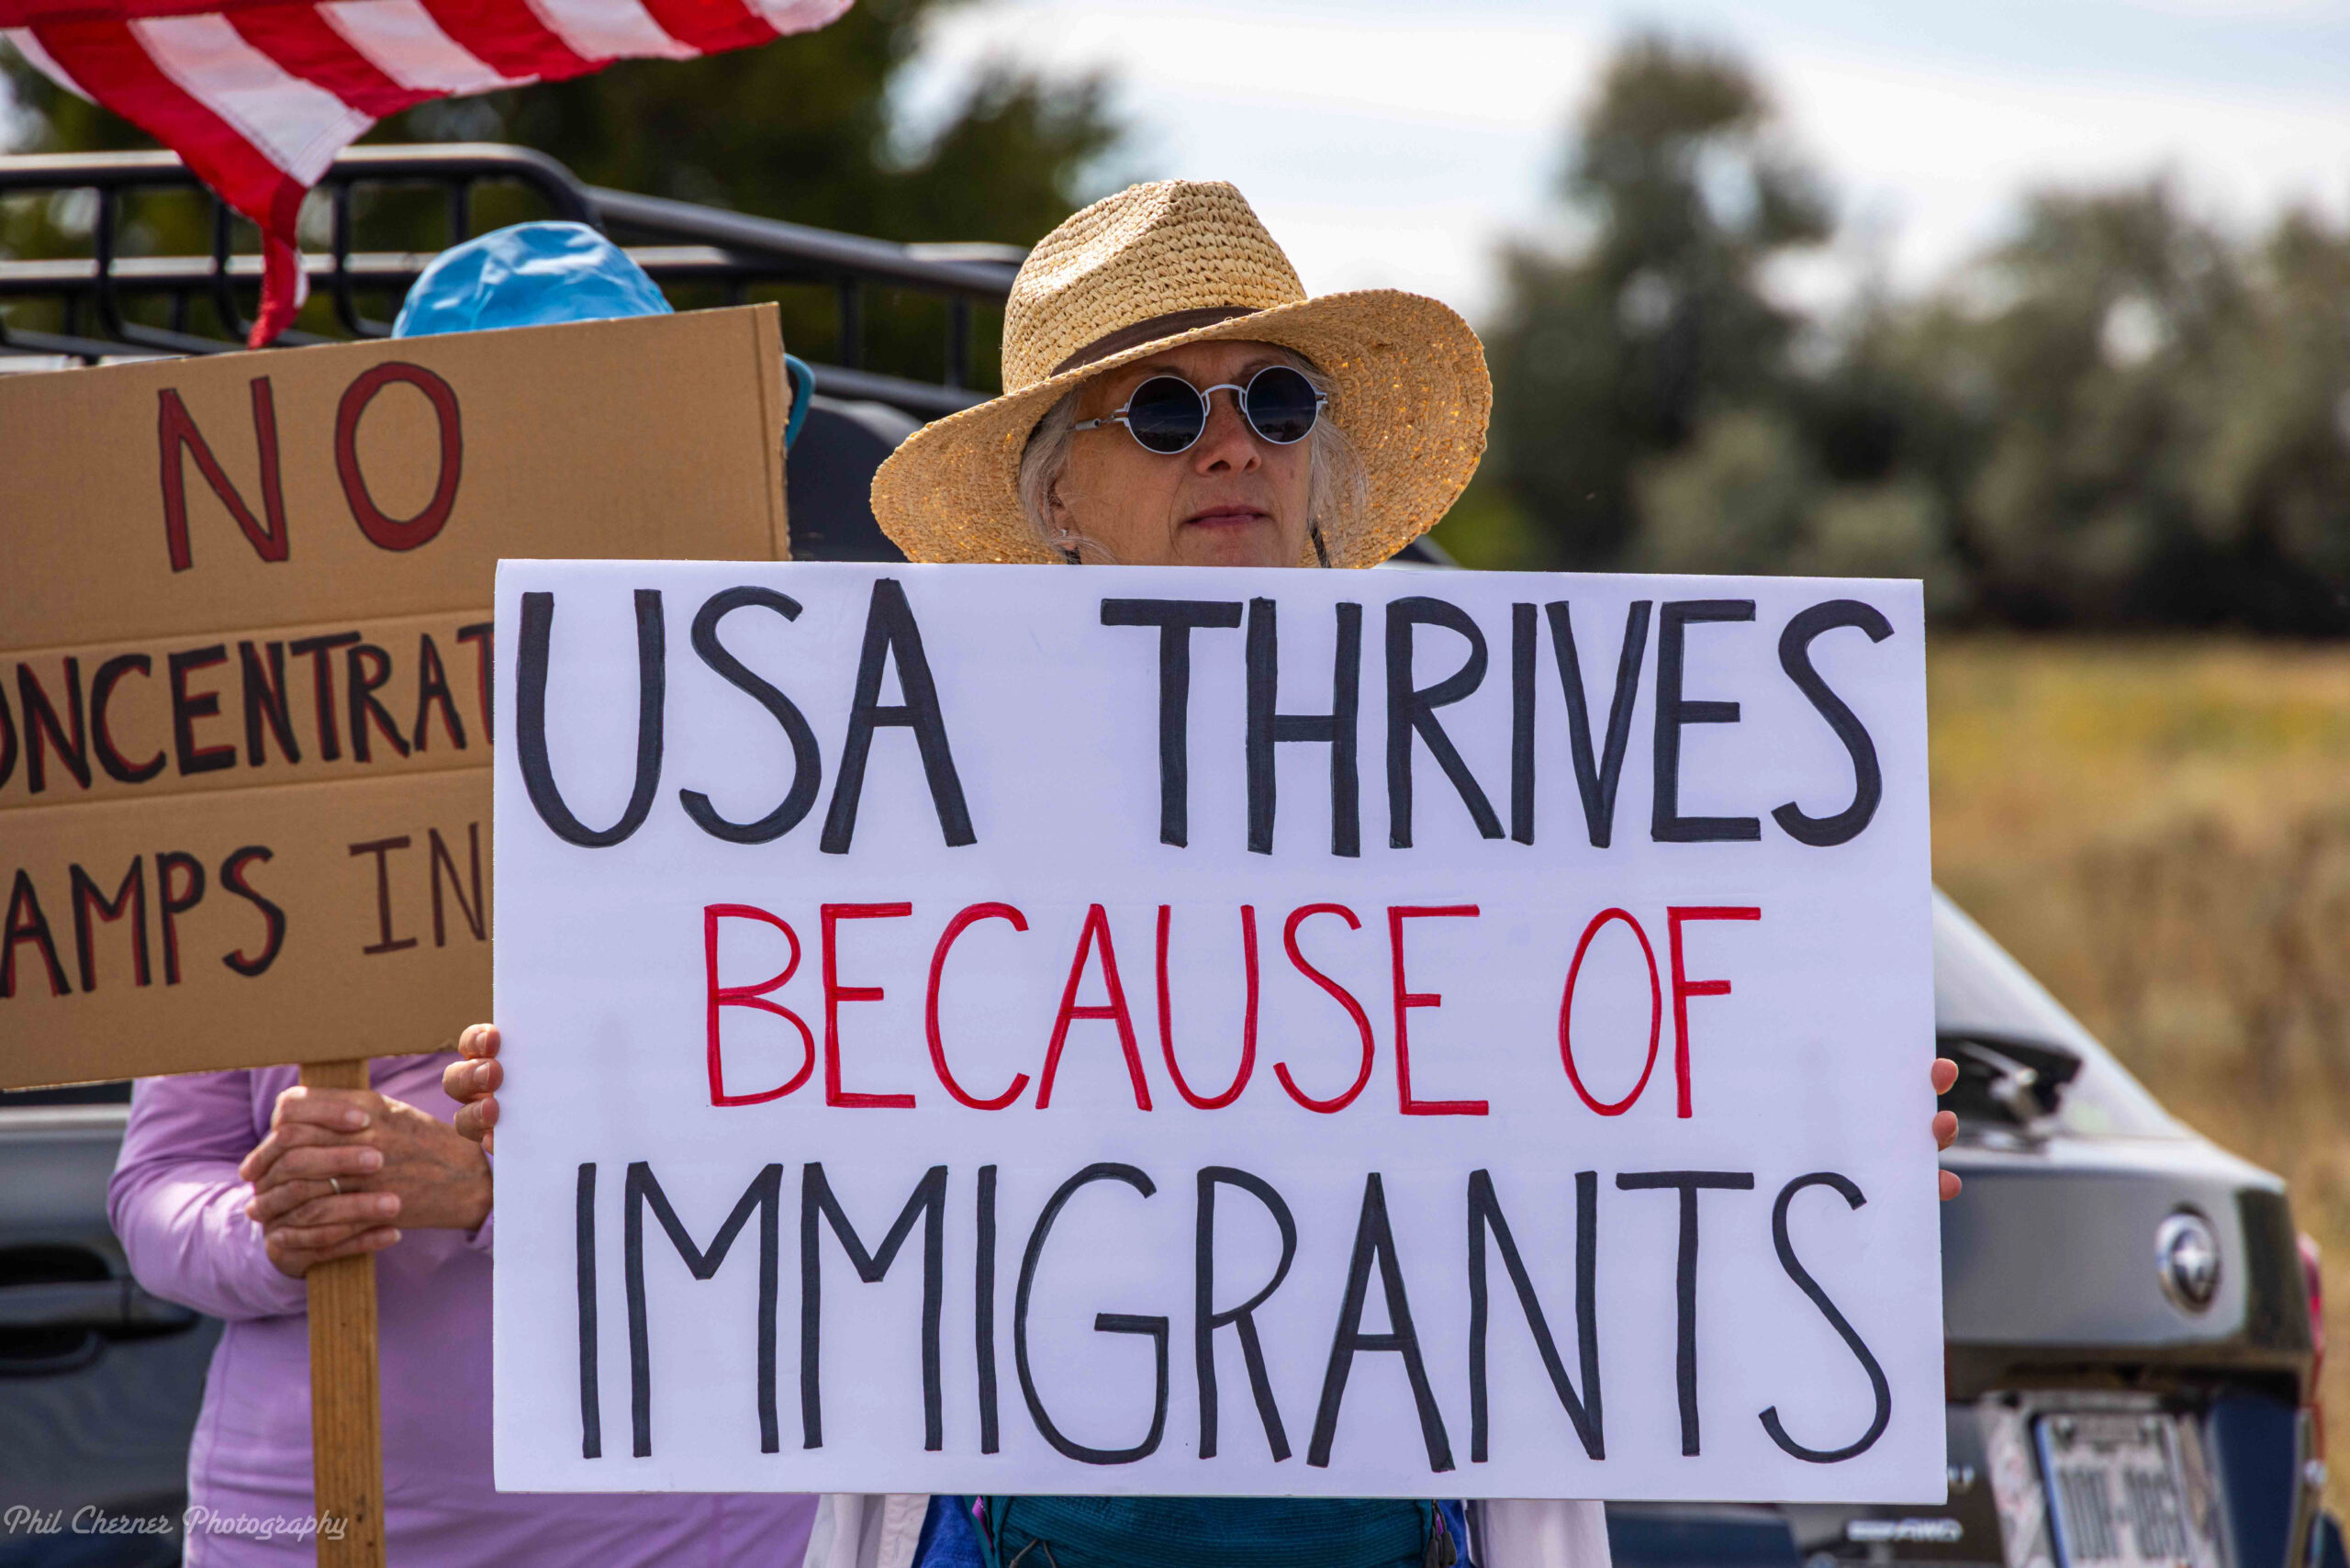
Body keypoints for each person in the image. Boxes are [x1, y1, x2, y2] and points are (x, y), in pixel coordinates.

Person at [248, 182, 1965, 1568]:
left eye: (1272, 402)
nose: (1230, 444)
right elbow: (809, 1175)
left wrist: (1811, 1134)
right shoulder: (878, 776)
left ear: (1321, 474)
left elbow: (1600, 1090)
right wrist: (588, 1133)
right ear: (1058, 492)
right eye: (1162, 409)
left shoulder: (1504, 788)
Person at [115, 221, 819, 1568]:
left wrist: (503, 1187)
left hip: (697, 1530)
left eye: (622, 442)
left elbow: (867, 1181)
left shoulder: (807, 774)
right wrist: (279, 1222)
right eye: (529, 446)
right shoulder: (273, 776)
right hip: (312, 1521)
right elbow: (159, 1185)